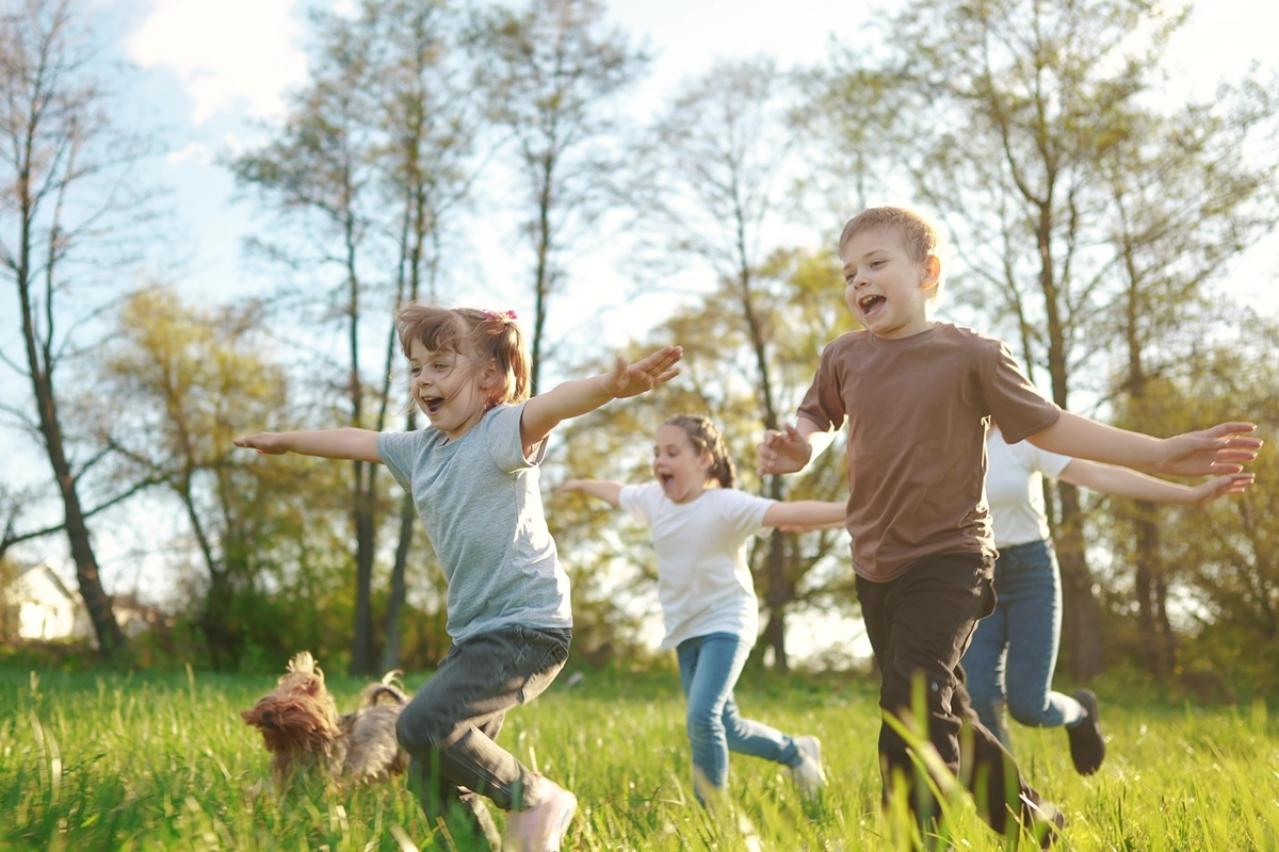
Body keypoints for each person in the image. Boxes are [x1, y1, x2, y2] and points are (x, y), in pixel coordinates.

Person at [757, 206, 1260, 847]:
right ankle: (1034, 822)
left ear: (928, 272)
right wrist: (799, 447)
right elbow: (816, 418)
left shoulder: (973, 355)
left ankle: (912, 837)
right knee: (948, 708)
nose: (859, 282)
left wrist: (1160, 452)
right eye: (849, 273)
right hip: (875, 566)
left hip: (952, 558)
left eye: (876, 265)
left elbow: (1052, 427)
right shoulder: (844, 357)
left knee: (911, 704)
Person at [235, 304, 682, 852]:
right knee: (434, 774)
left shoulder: (499, 432)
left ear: (490, 378)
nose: (424, 380)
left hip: (527, 626)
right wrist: (285, 439)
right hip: (475, 636)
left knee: (419, 726)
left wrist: (609, 388)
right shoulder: (420, 451)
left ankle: (536, 798)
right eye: (417, 369)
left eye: (441, 365)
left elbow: (554, 404)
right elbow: (357, 440)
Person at [559, 414, 842, 805]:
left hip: (727, 621)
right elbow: (616, 491)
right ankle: (797, 752)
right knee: (730, 727)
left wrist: (853, 511)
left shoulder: (726, 505)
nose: (660, 461)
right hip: (684, 628)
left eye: (672, 452)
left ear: (704, 459)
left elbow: (789, 515)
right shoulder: (653, 500)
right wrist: (578, 483)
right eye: (656, 453)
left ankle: (713, 821)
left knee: (701, 717)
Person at [967, 424, 1254, 772]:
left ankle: (1080, 713)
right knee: (980, 695)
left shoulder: (1021, 436)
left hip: (1030, 572)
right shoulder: (945, 439)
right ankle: (1014, 802)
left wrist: (1189, 496)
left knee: (1029, 706)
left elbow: (1098, 472)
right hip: (978, 571)